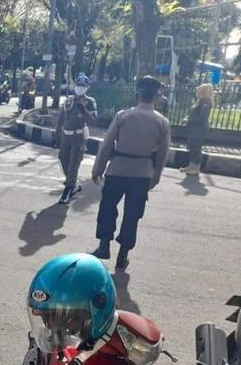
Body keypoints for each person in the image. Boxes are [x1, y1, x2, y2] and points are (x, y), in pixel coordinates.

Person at [90, 76, 170, 270]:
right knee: (133, 215)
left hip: (117, 169)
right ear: (156, 97)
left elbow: (107, 145)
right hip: (142, 175)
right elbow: (162, 154)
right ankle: (122, 255)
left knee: (108, 207)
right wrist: (156, 176)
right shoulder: (162, 122)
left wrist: (98, 168)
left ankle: (104, 246)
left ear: (137, 93)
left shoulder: (123, 116)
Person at [54, 75, 98, 204]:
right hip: (66, 136)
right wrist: (56, 136)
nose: (80, 88)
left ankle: (68, 189)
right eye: (78, 86)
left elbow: (94, 121)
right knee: (63, 159)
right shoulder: (68, 100)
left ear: (87, 88)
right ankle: (73, 184)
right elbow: (61, 119)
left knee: (74, 164)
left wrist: (84, 110)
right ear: (74, 86)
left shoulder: (90, 101)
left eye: (83, 87)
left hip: (79, 136)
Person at [180, 83, 214, 176]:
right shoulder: (200, 101)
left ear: (203, 92)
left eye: (199, 91)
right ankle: (191, 166)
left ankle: (196, 167)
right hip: (194, 128)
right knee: (191, 147)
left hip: (199, 129)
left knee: (196, 148)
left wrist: (188, 120)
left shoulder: (206, 102)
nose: (196, 92)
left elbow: (201, 117)